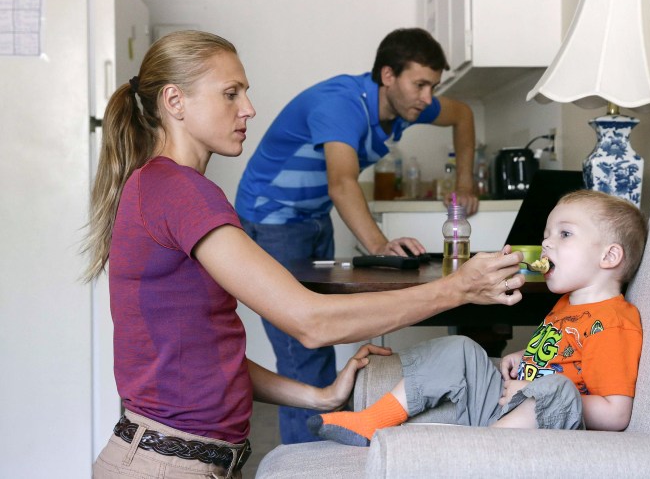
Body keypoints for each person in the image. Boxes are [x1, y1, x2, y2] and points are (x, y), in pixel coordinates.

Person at [81, 30, 525, 479]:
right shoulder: (182, 192)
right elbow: (312, 322)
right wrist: (458, 288)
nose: (249, 108)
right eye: (231, 93)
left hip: (177, 459)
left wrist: (321, 396)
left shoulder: (163, 185)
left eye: (246, 93)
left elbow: (207, 354)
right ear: (175, 101)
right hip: (167, 467)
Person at [234, 27, 480, 443]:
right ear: (388, 75)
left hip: (313, 218)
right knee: (304, 352)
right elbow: (342, 183)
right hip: (270, 219)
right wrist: (381, 246)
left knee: (325, 333)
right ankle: (307, 465)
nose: (427, 96)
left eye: (433, 86)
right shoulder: (341, 105)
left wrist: (468, 181)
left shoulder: (406, 106)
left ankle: (326, 446)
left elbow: (463, 115)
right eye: (420, 84)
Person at [309, 190, 648, 446]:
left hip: (551, 430)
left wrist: (536, 386)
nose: (545, 243)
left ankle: (478, 453)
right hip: (506, 409)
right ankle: (371, 422)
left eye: (565, 234)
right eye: (547, 233)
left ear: (609, 255)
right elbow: (555, 357)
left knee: (559, 390)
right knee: (462, 348)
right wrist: (522, 358)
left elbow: (615, 414)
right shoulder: (564, 306)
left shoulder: (614, 321)